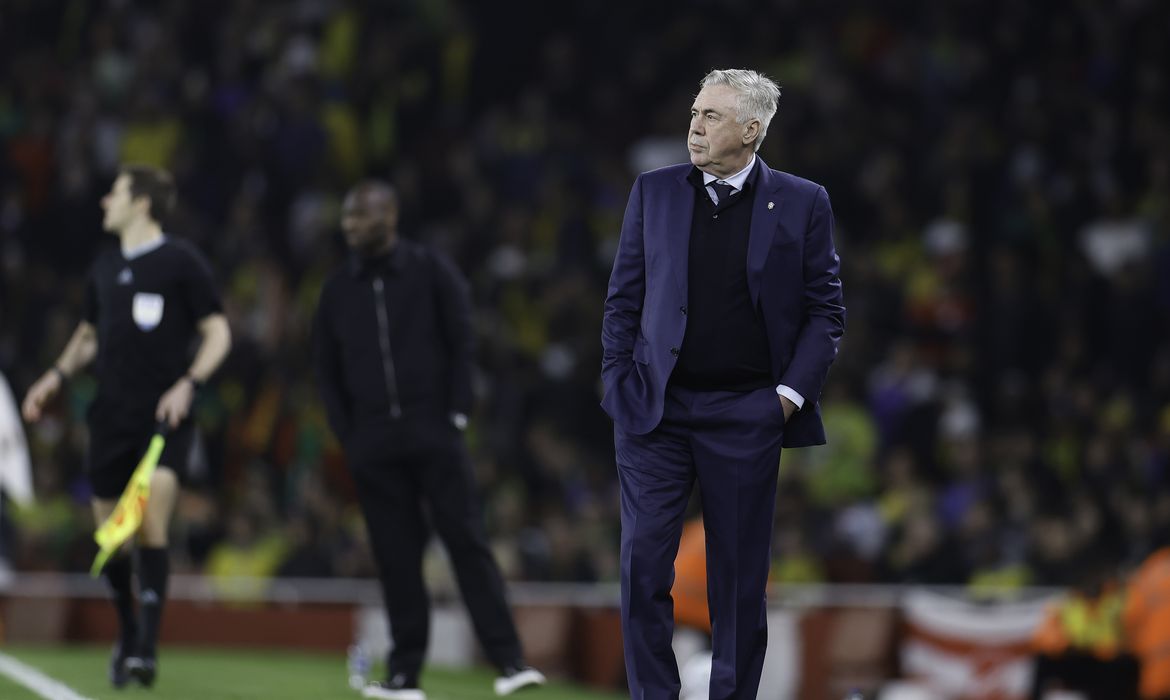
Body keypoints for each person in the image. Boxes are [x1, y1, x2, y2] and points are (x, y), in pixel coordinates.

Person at [601, 68, 846, 699]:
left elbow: (826, 312)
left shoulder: (803, 201)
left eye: (711, 116)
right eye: (694, 113)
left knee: (737, 582)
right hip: (656, 410)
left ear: (752, 129)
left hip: (747, 412)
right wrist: (618, 378)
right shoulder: (654, 190)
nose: (695, 126)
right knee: (642, 566)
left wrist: (786, 400)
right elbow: (623, 298)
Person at [312, 180, 545, 700]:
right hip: (373, 442)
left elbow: (464, 341)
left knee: (467, 543)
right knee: (396, 557)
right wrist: (349, 434)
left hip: (434, 432)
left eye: (361, 215)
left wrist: (457, 414)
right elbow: (325, 368)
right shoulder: (338, 289)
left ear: (390, 216)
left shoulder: (430, 270)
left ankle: (510, 661)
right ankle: (405, 676)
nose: (350, 225)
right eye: (347, 217)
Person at [21, 165, 232, 688]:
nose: (103, 202)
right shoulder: (104, 267)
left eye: (113, 193)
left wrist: (189, 383)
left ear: (141, 203)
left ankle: (146, 650)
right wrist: (55, 376)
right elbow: (88, 336)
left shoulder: (182, 262)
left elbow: (218, 332)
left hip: (163, 417)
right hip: (110, 418)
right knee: (112, 538)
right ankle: (129, 629)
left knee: (151, 520)